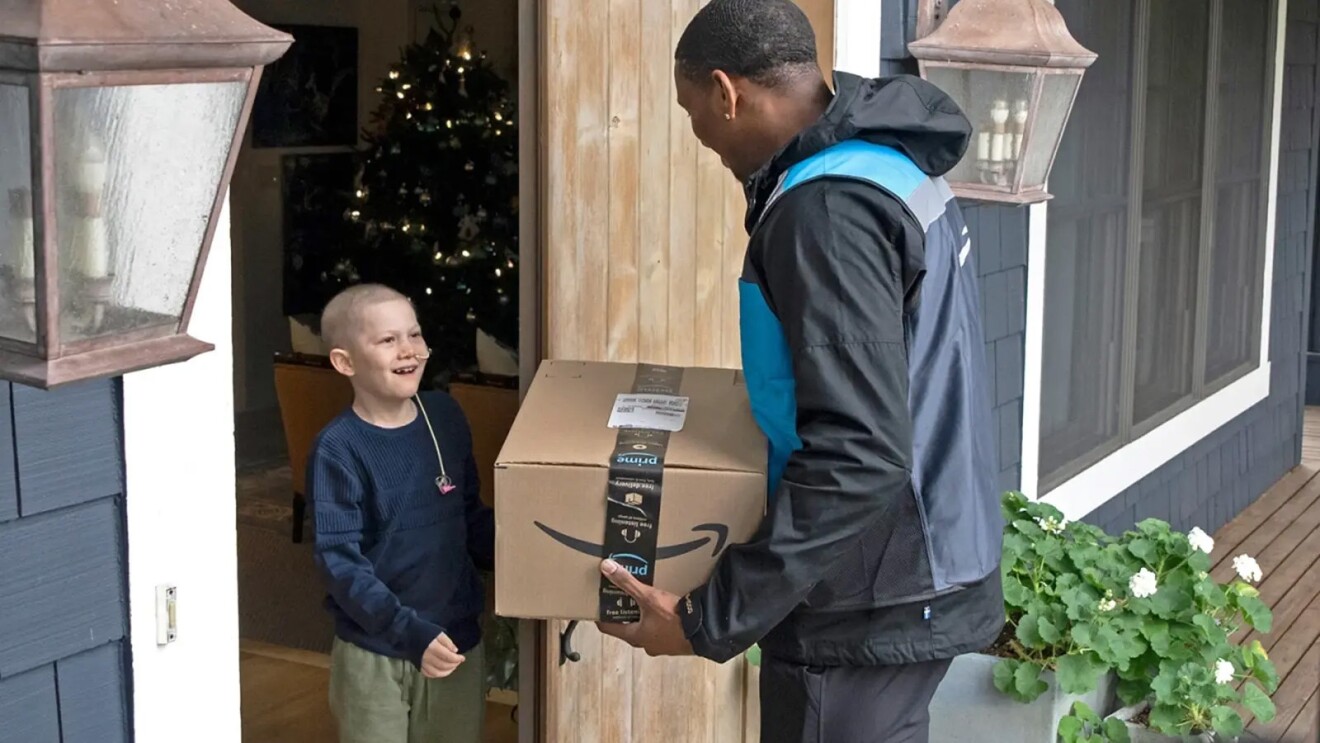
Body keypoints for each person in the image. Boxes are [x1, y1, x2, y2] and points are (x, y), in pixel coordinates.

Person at [595, 1, 1005, 740]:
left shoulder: (827, 210)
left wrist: (703, 620)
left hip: (870, 595)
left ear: (727, 92)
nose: (703, 140)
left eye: (695, 116)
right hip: (921, 564)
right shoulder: (882, 161)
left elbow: (861, 451)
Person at [308, 283, 494, 743]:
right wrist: (408, 632)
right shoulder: (339, 448)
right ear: (345, 362)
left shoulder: (446, 417)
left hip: (455, 643)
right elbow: (339, 560)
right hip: (376, 650)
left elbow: (470, 517)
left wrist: (536, 556)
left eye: (414, 335)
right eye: (387, 340)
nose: (408, 350)